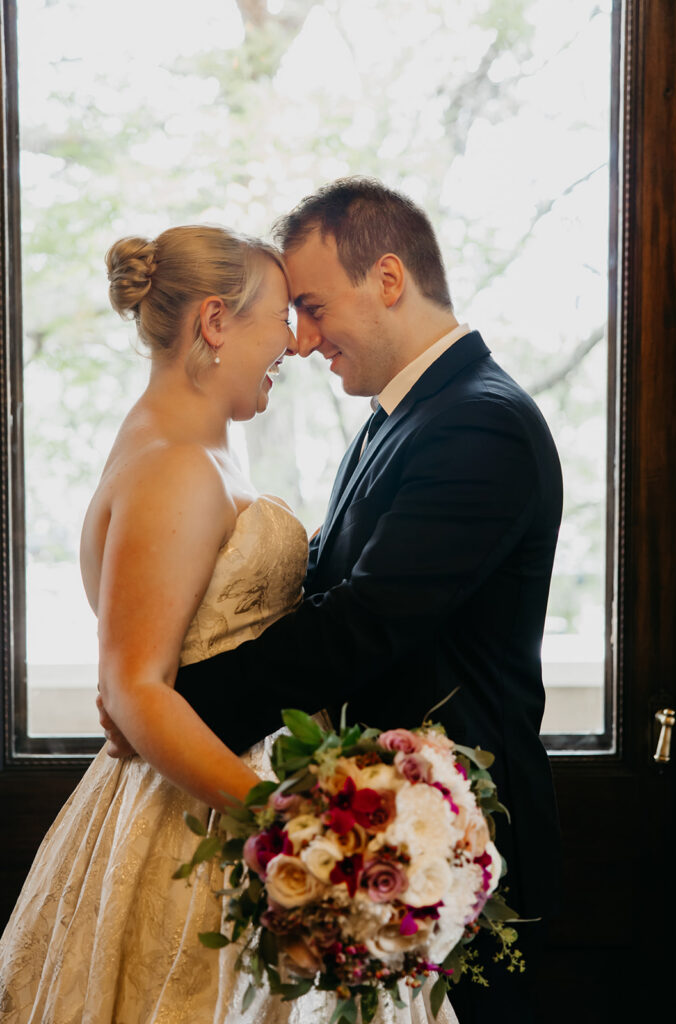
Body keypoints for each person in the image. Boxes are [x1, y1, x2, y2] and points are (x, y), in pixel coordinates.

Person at [115, 178, 563, 1024]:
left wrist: (172, 701)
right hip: (371, 831)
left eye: (314, 306)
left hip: (448, 846)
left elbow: (360, 625)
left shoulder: (479, 423)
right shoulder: (400, 412)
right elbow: (321, 584)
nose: (302, 338)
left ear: (387, 280)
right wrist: (147, 686)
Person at [1, 222, 456, 1024]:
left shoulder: (199, 447)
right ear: (215, 322)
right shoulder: (176, 464)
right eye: (282, 315)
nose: (297, 339)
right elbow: (136, 687)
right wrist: (287, 824)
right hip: (201, 815)